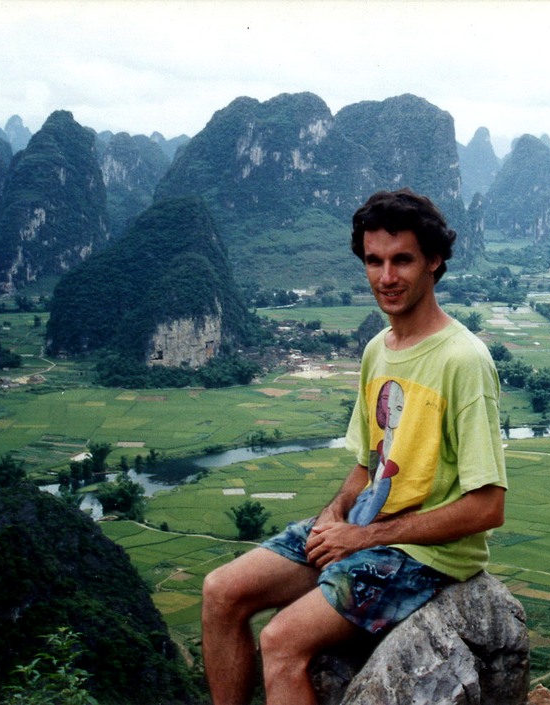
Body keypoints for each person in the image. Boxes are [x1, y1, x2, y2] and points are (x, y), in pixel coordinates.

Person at [201, 189, 508, 705]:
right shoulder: (376, 351)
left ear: (434, 261)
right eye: (374, 261)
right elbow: (369, 465)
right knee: (219, 592)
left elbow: (488, 507)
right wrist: (334, 517)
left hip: (425, 554)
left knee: (280, 641)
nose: (386, 277)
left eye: (402, 260)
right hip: (366, 529)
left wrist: (362, 540)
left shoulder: (463, 360)